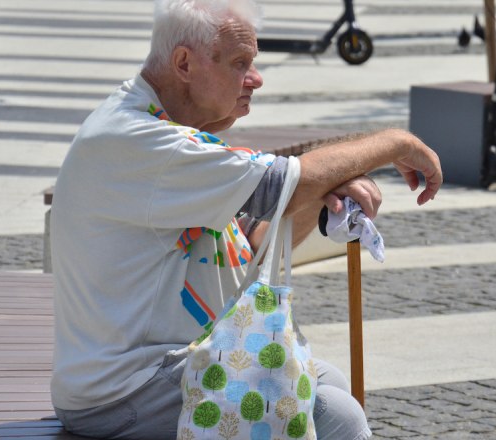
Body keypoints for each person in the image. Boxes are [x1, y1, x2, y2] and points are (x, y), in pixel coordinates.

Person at [49, 0, 443, 439]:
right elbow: (284, 183)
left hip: (161, 368)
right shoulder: (140, 139)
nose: (255, 79)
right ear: (184, 63)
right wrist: (396, 143)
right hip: (121, 392)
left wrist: (322, 195)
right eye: (241, 64)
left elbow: (255, 243)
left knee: (327, 386)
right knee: (332, 412)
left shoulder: (164, 130)